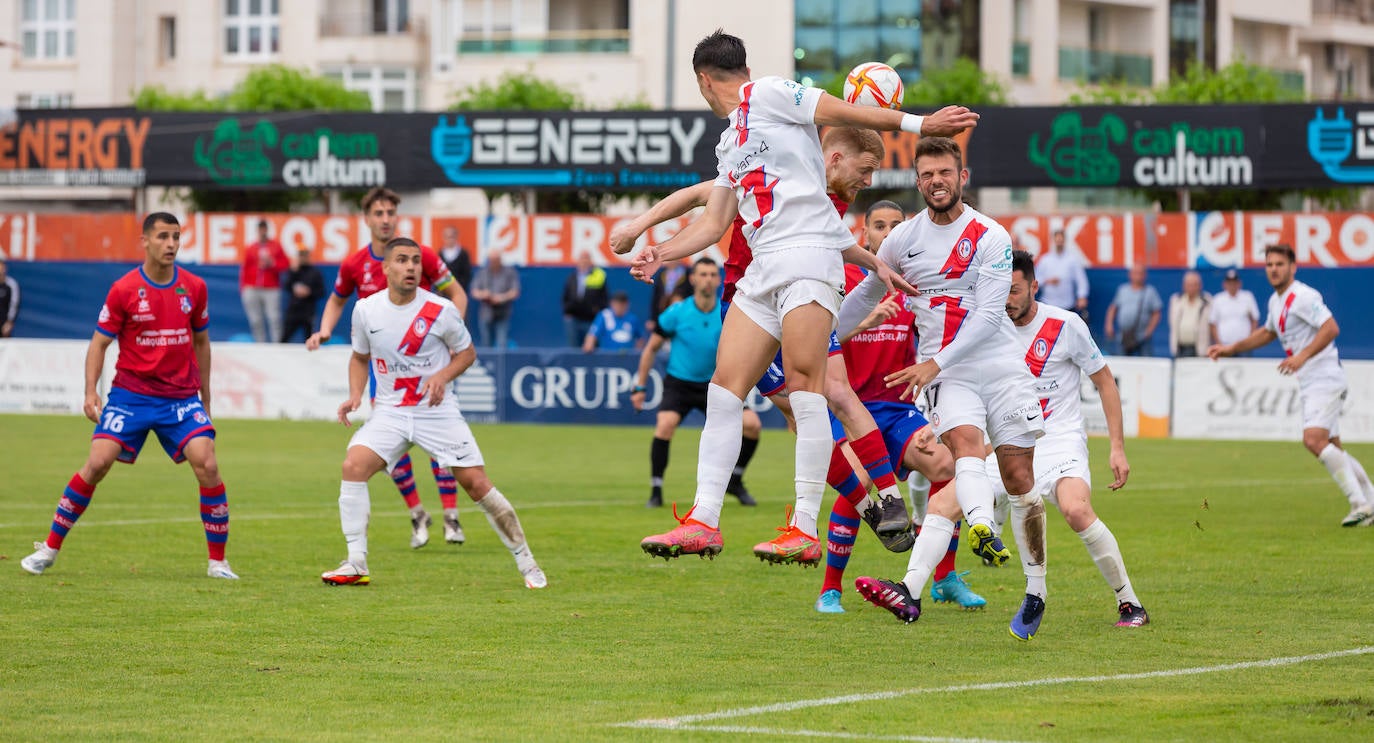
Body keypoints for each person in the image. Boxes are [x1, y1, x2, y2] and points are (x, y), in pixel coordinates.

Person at [628, 30, 976, 568]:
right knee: (724, 391)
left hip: (809, 258)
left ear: (703, 79)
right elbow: (716, 221)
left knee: (808, 389)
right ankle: (703, 521)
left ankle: (805, 528)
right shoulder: (729, 143)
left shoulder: (766, 92)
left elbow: (837, 108)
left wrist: (920, 125)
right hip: (763, 267)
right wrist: (661, 252)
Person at [841, 136, 1047, 639]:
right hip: (950, 376)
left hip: (996, 365)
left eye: (945, 172)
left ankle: (1036, 589)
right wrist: (823, 338)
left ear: (963, 178)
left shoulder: (991, 235)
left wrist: (933, 363)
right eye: (927, 174)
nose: (937, 181)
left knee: (1020, 479)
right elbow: (863, 296)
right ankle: (978, 527)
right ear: (917, 181)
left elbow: (988, 314)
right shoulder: (899, 242)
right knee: (965, 448)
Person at [21, 212, 237, 580]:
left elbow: (202, 341)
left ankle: (218, 562)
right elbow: (99, 344)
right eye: (163, 237)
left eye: (176, 236)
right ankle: (49, 548)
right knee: (98, 461)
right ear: (146, 241)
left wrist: (206, 395)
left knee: (208, 463)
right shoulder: (123, 289)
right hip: (130, 395)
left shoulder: (194, 288)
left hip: (180, 398)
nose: (171, 244)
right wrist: (91, 391)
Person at [321, 237, 546, 589]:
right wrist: (354, 396)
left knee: (476, 484)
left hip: (436, 412)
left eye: (415, 261)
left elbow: (467, 353)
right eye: (402, 260)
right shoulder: (366, 310)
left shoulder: (441, 310)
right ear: (386, 268)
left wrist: (442, 376)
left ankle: (527, 562)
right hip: (391, 412)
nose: (410, 267)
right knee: (353, 466)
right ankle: (355, 562)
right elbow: (360, 357)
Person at [815, 200, 983, 615]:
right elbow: (816, 344)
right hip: (850, 406)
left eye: (895, 226)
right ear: (864, 235)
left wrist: (932, 414)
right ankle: (830, 589)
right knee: (859, 481)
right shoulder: (846, 281)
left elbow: (933, 350)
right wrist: (865, 322)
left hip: (897, 408)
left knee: (950, 468)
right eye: (879, 226)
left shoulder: (915, 284)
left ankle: (943, 577)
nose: (887, 233)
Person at [306, 187, 471, 549]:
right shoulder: (354, 264)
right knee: (387, 449)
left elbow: (457, 294)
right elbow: (336, 301)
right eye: (378, 213)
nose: (385, 219)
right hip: (387, 372)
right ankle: (416, 512)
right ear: (366, 219)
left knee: (438, 443)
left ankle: (451, 516)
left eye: (390, 212)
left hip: (428, 365)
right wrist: (325, 330)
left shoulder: (420, 255)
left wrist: (450, 330)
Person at [992, 249, 1148, 627]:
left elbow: (1104, 380)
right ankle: (912, 589)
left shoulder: (1065, 324)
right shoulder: (990, 328)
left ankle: (1130, 603)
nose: (1007, 300)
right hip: (1010, 441)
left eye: (1015, 290)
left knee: (1077, 510)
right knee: (947, 501)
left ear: (1034, 286)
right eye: (1002, 291)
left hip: (1059, 439)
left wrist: (1117, 448)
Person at [1209, 243, 1374, 527]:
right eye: (1270, 264)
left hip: (1325, 377)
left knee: (1313, 440)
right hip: (1312, 380)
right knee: (1332, 445)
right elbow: (1267, 332)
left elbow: (1331, 327)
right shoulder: (1277, 301)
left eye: (1279, 264)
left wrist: (1302, 356)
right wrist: (1230, 348)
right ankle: (1370, 500)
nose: (1274, 269)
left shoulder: (1302, 295)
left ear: (1292, 267)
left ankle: (1359, 503)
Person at [631, 257, 760, 508]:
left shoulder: (729, 313)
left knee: (752, 425)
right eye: (703, 274)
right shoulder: (677, 312)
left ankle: (736, 480)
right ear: (692, 279)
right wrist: (639, 387)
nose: (708, 279)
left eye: (713, 275)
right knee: (665, 424)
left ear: (719, 280)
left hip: (715, 384)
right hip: (679, 383)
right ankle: (656, 490)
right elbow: (650, 350)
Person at [239, 219, 291, 343]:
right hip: (252, 287)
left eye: (264, 229)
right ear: (257, 230)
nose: (262, 231)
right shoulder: (251, 247)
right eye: (260, 229)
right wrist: (243, 289)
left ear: (267, 230)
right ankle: (260, 345)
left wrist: (272, 263)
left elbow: (285, 265)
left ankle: (277, 344)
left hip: (271, 288)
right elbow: (245, 269)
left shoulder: (276, 246)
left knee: (274, 318)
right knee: (255, 319)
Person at [1105, 264, 1162, 356]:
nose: (1138, 276)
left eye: (1140, 273)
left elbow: (1157, 313)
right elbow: (1113, 308)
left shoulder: (1150, 291)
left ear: (1145, 275)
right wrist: (1109, 325)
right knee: (1123, 366)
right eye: (1135, 273)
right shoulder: (1122, 290)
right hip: (1124, 336)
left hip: (1143, 336)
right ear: (1130, 275)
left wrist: (1149, 330)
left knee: (1146, 365)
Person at [470, 252, 520, 349]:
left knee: (502, 343)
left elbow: (515, 291)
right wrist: (484, 294)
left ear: (500, 260)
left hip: (503, 312)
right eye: (491, 261)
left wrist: (501, 297)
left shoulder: (509, 272)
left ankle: (501, 364)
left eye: (495, 261)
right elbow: (474, 291)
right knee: (486, 343)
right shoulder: (482, 273)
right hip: (486, 312)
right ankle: (488, 364)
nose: (493, 263)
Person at [1035, 228, 1089, 316]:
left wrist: (1082, 296)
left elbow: (1081, 279)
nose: (1059, 243)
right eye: (1057, 240)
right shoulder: (1045, 260)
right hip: (1048, 303)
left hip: (1067, 304)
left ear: (1064, 241)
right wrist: (1047, 281)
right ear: (1053, 241)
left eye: (1061, 240)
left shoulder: (1072, 260)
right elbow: (1036, 280)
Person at [281, 245, 326, 343]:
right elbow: (286, 286)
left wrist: (309, 292)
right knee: (283, 339)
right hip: (293, 311)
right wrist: (293, 272)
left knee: (309, 340)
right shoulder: (294, 271)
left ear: (308, 256)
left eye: (304, 255)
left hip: (308, 312)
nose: (302, 258)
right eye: (300, 255)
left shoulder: (315, 272)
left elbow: (321, 292)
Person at [562, 253, 608, 346]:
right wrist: (567, 312)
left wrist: (597, 310)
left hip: (591, 319)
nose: (584, 261)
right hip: (574, 318)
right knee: (574, 347)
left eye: (586, 259)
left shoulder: (598, 276)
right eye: (582, 258)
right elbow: (565, 296)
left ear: (591, 261)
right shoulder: (572, 277)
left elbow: (604, 297)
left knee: (590, 346)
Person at [1209, 268, 1259, 353]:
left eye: (1234, 282)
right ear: (1224, 284)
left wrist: (1250, 339)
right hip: (1224, 345)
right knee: (1224, 366)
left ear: (1239, 283)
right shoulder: (1218, 299)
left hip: (1243, 346)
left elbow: (1255, 319)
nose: (1232, 285)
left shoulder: (1247, 297)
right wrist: (1218, 343)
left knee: (1244, 366)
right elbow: (1212, 323)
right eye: (1229, 283)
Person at [1168, 270, 1211, 358]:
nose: (1192, 288)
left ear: (1200, 285)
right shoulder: (1176, 300)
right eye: (1189, 285)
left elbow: (1212, 324)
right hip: (1180, 348)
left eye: (1195, 285)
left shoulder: (1207, 301)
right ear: (1184, 286)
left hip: (1199, 348)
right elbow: (1171, 322)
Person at [437, 226, 474, 297]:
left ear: (456, 237)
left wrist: (456, 289)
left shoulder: (463, 254)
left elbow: (466, 275)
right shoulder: (440, 254)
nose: (449, 240)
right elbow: (437, 274)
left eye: (451, 237)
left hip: (459, 293)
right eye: (447, 237)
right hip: (443, 293)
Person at [0, 255, 18, 337]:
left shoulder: (11, 285)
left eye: (2, 268)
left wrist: (9, 322)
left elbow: (14, 304)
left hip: (4, 324)